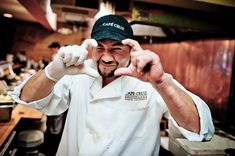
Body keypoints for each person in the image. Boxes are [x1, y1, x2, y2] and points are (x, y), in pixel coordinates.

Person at [11, 15, 214, 156]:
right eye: (100, 48)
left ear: (131, 48)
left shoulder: (152, 78)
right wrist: (53, 72)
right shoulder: (78, 72)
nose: (106, 57)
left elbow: (199, 129)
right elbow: (28, 99)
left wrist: (161, 83)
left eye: (116, 49)